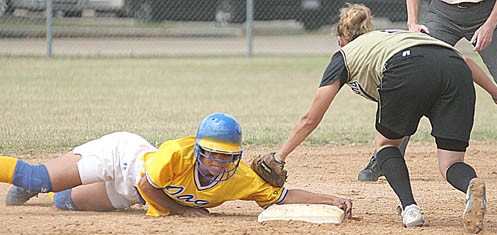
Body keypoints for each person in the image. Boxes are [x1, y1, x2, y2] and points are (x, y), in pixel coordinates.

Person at [251, 4, 497, 233]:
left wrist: (280, 156)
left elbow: (310, 118)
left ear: (341, 40)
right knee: (451, 163)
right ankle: (471, 185)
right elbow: (465, 61)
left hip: (404, 67)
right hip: (453, 70)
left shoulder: (344, 55)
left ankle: (410, 208)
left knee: (386, 145)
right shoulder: (396, 36)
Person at [358, 0, 497, 182]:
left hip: (486, 13)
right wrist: (412, 22)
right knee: (415, 79)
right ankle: (383, 155)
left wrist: (490, 25)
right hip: (441, 14)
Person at [0, 113, 352, 218]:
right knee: (39, 177)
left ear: (236, 157)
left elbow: (281, 196)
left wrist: (331, 199)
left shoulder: (240, 180)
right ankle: (32, 181)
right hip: (123, 159)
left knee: (64, 201)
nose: (215, 162)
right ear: (198, 150)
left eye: (224, 156)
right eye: (210, 153)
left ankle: (36, 190)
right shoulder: (175, 154)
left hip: (133, 194)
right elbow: (148, 185)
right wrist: (184, 212)